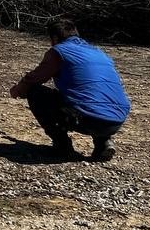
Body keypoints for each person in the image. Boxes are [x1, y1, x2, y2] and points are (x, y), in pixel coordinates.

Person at [10, 17, 130, 162]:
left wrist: (18, 90)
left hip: (88, 118)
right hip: (117, 119)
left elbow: (34, 79)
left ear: (54, 37)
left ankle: (62, 145)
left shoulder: (59, 52)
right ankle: (103, 143)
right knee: (93, 95)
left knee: (35, 92)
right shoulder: (99, 53)